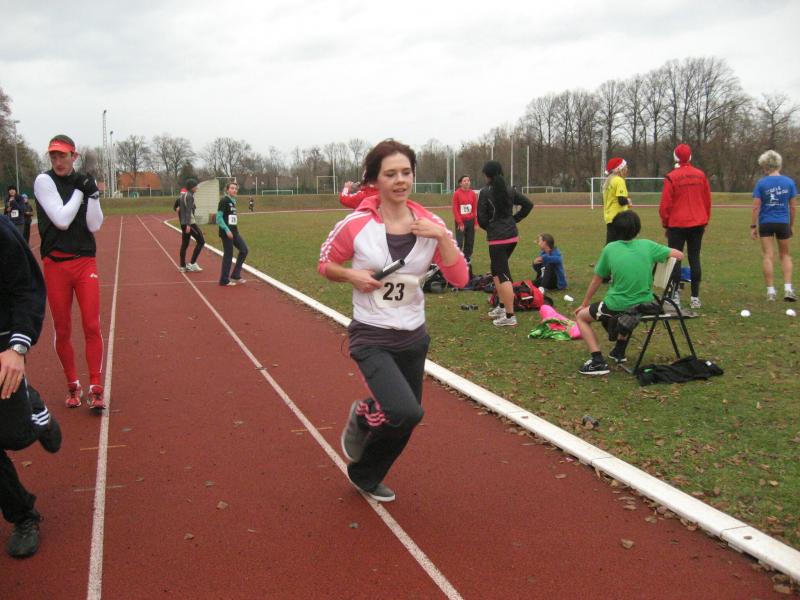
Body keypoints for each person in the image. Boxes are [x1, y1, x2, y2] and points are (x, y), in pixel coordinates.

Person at [318, 139, 468, 502]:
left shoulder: (431, 224)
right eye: (391, 174)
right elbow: (326, 265)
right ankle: (366, 412)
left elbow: (460, 278)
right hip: (371, 333)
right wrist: (351, 275)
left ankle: (366, 474)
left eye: (406, 172)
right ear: (374, 180)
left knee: (407, 418)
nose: (400, 180)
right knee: (403, 410)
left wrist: (442, 238)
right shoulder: (356, 225)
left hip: (413, 335)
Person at [0, 215, 62, 558]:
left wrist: (18, 346)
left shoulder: (1, 233)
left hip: (3, 348)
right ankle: (23, 514)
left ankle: (35, 408)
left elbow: (27, 288)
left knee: (15, 435)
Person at [33, 134, 106, 409]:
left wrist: (94, 195)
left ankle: (96, 386)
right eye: (53, 156)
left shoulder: (83, 183)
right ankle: (72, 384)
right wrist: (81, 190)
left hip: (84, 261)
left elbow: (94, 225)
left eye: (62, 155)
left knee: (91, 324)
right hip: (56, 264)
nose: (58, 161)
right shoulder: (44, 181)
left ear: (73, 156)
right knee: (62, 329)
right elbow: (62, 220)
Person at [574, 211, 683, 375]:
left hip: (618, 305)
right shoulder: (648, 245)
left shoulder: (610, 249)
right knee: (629, 312)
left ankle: (597, 361)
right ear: (637, 229)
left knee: (581, 317)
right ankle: (619, 351)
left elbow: (597, 280)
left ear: (615, 230)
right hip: (645, 304)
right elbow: (679, 255)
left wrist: (584, 304)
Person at [476, 160, 533, 327]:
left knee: (503, 274)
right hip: (511, 237)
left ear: (487, 175)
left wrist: (491, 227)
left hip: (498, 239)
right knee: (496, 270)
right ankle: (502, 307)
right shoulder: (510, 189)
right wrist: (513, 220)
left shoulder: (485, 192)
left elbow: (481, 218)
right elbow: (528, 204)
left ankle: (509, 316)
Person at [659, 144, 712, 309]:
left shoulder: (671, 177)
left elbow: (665, 205)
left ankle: (675, 295)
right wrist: (705, 220)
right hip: (697, 222)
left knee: (675, 259)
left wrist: (666, 224)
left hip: (677, 224)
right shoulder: (700, 175)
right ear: (690, 157)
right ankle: (695, 297)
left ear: (675, 157)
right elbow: (707, 200)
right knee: (695, 258)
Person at [751, 150, 797, 302]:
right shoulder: (789, 182)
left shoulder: (761, 183)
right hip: (783, 222)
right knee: (785, 255)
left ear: (765, 166)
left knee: (768, 256)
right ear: (779, 164)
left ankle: (770, 292)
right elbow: (793, 207)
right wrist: (791, 225)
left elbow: (756, 207)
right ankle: (788, 289)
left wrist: (753, 226)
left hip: (766, 223)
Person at [216, 181, 249, 286]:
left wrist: (233, 230)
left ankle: (235, 274)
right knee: (228, 254)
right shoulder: (224, 201)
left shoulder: (233, 201)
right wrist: (227, 230)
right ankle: (224, 280)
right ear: (227, 190)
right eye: (232, 188)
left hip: (234, 232)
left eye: (235, 188)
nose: (234, 190)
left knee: (244, 250)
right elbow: (218, 218)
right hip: (226, 233)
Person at [602, 157, 632, 245]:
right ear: (620, 169)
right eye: (625, 167)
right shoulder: (619, 180)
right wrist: (628, 201)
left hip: (609, 216)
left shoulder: (608, 181)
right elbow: (621, 200)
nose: (627, 169)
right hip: (619, 217)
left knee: (610, 244)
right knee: (620, 244)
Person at [177, 178, 205, 273]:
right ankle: (192, 263)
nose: (197, 187)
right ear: (191, 187)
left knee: (185, 244)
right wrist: (188, 225)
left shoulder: (182, 196)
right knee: (201, 241)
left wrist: (183, 223)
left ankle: (182, 266)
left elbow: (181, 210)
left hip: (183, 223)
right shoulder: (190, 196)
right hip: (190, 223)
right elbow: (188, 211)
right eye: (196, 186)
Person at [451, 175, 477, 274]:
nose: (467, 182)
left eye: (468, 180)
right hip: (461, 222)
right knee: (460, 242)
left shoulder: (473, 194)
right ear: (460, 183)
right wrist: (460, 223)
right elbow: (455, 209)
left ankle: (467, 260)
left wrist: (476, 222)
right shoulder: (457, 194)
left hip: (471, 221)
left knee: (470, 242)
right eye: (464, 181)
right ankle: (457, 262)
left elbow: (474, 209)